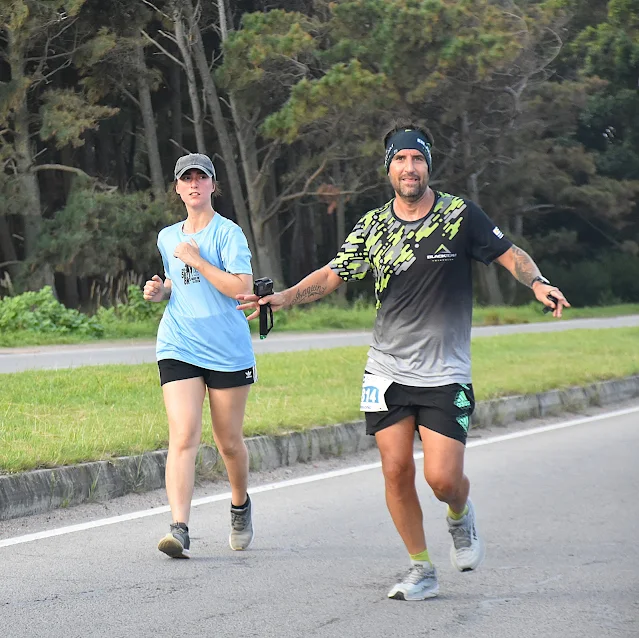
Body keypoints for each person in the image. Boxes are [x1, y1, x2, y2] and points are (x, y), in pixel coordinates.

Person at [237, 124, 570, 599]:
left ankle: (460, 514)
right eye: (400, 159)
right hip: (386, 370)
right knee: (395, 470)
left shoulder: (459, 215)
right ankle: (420, 567)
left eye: (417, 159)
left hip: (445, 371)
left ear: (428, 165)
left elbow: (509, 253)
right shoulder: (373, 226)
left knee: (443, 479)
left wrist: (537, 282)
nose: (409, 167)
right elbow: (333, 274)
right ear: (389, 168)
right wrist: (285, 297)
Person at [144, 153, 256, 559]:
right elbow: (179, 282)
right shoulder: (167, 237)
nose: (194, 184)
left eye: (201, 177)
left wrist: (198, 260)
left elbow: (242, 288)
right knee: (183, 434)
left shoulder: (229, 234)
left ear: (212, 185)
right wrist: (161, 291)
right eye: (186, 178)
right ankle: (179, 528)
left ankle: (240, 505)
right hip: (179, 343)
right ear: (177, 188)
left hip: (227, 349)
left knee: (229, 443)